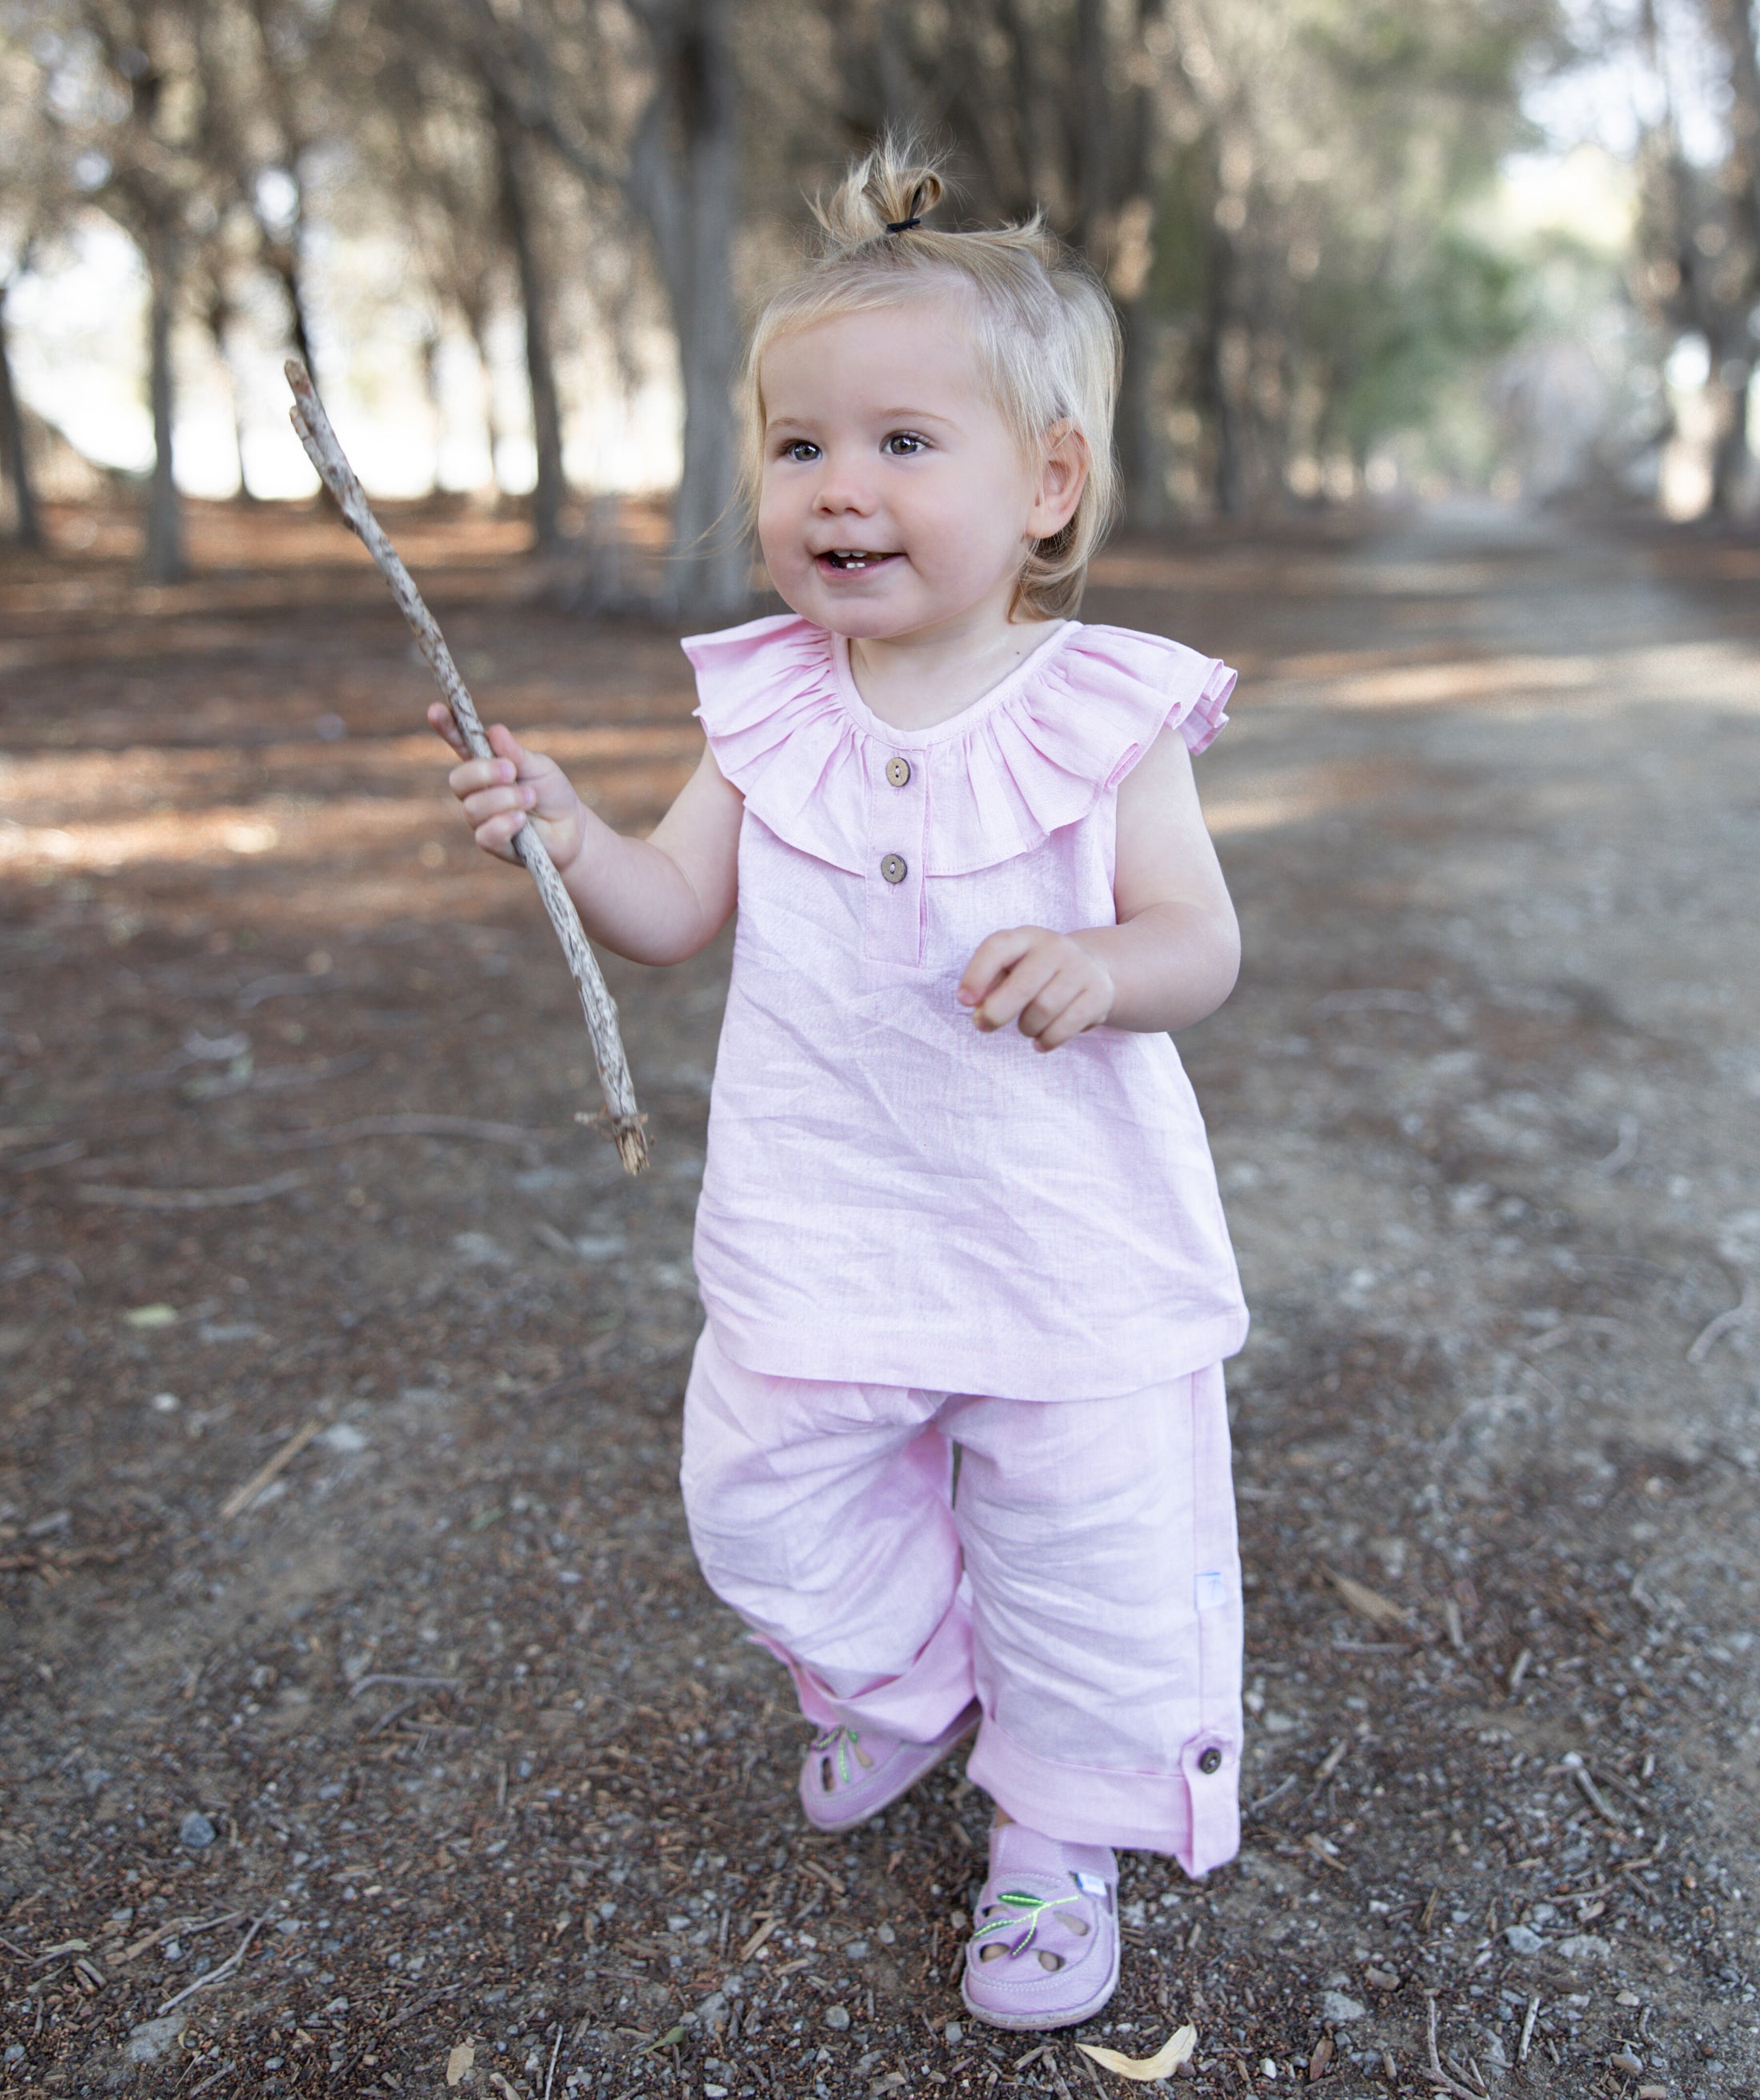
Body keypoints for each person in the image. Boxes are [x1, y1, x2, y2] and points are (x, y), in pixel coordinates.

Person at [432, 140, 1248, 2034]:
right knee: (763, 1498)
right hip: (827, 1223)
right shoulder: (771, 703)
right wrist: (563, 830)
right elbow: (665, 911)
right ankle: (906, 1687)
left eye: (899, 444)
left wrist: (1103, 967)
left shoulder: (1098, 709)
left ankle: (1053, 1836)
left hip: (1064, 1246)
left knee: (1084, 1552)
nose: (837, 490)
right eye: (798, 450)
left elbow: (1199, 938)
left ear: (1043, 483)